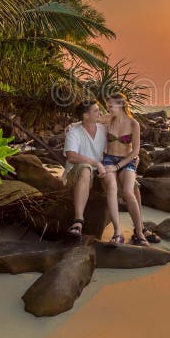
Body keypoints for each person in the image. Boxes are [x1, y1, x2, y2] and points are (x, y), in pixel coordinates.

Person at [64, 99, 125, 243]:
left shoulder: (103, 129)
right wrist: (95, 162)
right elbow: (71, 156)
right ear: (86, 116)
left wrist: (133, 157)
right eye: (96, 111)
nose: (100, 113)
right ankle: (78, 221)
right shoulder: (74, 132)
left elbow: (119, 120)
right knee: (85, 168)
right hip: (76, 173)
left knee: (122, 182)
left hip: (99, 171)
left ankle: (128, 230)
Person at [101, 92, 154, 246]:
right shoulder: (108, 119)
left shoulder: (133, 124)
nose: (108, 108)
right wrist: (73, 126)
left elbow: (135, 151)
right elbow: (89, 120)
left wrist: (118, 166)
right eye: (107, 106)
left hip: (127, 161)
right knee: (112, 189)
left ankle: (138, 232)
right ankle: (118, 234)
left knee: (128, 192)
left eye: (111, 106)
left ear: (121, 105)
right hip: (109, 158)